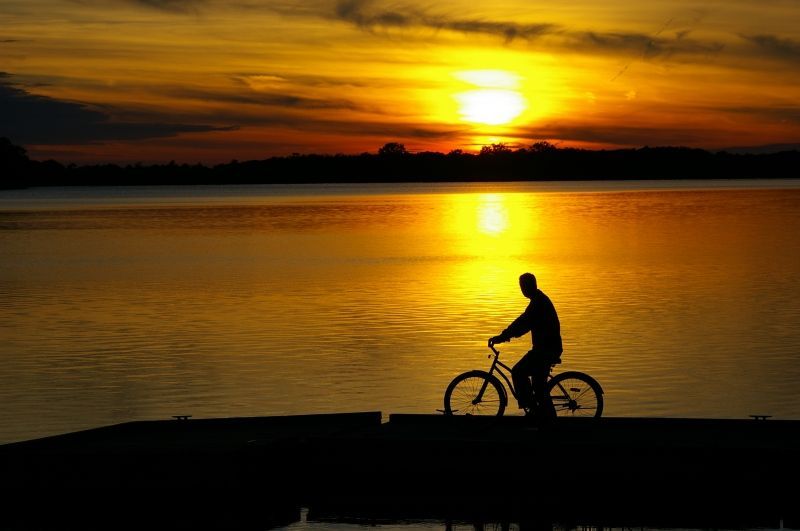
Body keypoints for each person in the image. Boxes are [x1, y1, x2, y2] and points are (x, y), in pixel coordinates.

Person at [489, 272, 562, 419]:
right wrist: (505, 336)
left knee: (518, 372)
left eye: (524, 286)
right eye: (521, 286)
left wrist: (502, 337)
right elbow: (523, 323)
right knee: (538, 386)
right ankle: (543, 417)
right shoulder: (538, 300)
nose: (522, 289)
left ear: (531, 285)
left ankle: (533, 410)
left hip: (545, 350)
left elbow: (522, 324)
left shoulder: (538, 303)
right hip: (546, 348)